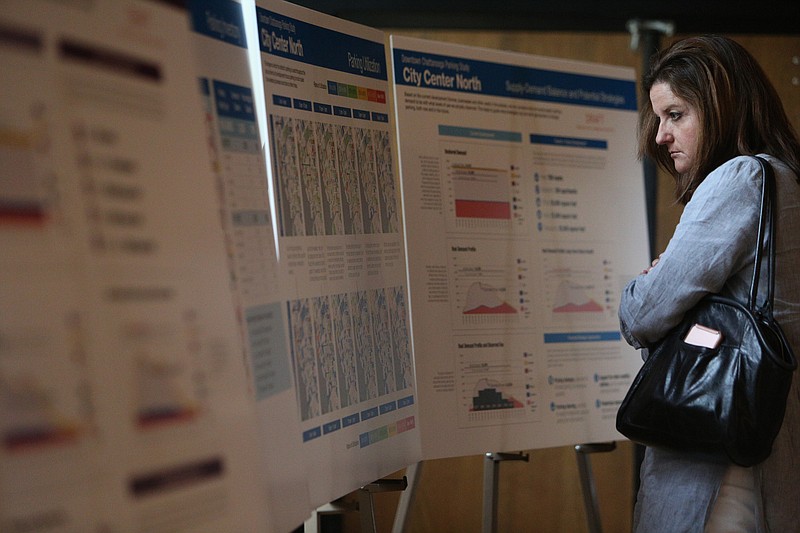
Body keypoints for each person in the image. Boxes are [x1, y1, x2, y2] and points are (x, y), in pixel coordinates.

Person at [618, 35, 800, 532]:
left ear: (721, 108)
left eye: (675, 115)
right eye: (658, 119)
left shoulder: (740, 178)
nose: (660, 136)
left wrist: (646, 283)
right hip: (769, 461)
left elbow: (644, 313)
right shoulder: (788, 180)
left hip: (716, 480)